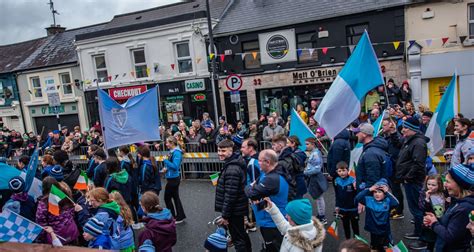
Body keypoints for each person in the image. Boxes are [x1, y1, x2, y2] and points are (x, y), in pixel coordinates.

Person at [245, 149, 289, 252]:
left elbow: (251, 193)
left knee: (274, 248)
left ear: (268, 162)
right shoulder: (269, 173)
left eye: (259, 160)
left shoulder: (272, 178)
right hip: (268, 220)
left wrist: (248, 187)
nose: (257, 162)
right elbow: (255, 187)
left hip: (272, 223)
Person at [423, 164, 474, 251]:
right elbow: (449, 223)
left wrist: (434, 224)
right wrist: (434, 220)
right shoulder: (456, 200)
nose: (444, 185)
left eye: (448, 182)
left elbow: (450, 236)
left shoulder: (464, 208)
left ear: (459, 185)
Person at [395, 117, 428, 248]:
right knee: (415, 209)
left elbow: (418, 164)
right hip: (410, 180)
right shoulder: (410, 140)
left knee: (418, 209)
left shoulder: (418, 143)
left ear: (413, 129)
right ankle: (417, 232)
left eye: (406, 128)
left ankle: (422, 237)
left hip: (413, 181)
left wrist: (408, 177)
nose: (403, 130)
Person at [215, 139, 251, 252]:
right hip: (237, 208)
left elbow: (230, 195)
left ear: (231, 150)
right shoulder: (233, 163)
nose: (220, 153)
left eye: (223, 151)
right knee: (241, 234)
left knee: (237, 239)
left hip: (235, 210)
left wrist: (225, 216)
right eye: (219, 150)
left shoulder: (232, 168)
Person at [355, 179, 399, 251]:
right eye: (375, 192)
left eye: (380, 192)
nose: (377, 194)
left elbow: (396, 203)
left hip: (384, 231)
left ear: (384, 194)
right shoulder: (368, 200)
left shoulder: (388, 202)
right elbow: (357, 198)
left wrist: (387, 192)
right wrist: (369, 189)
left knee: (386, 248)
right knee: (374, 247)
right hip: (373, 230)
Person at [36, 177, 79, 245]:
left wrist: (40, 240)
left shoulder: (43, 203)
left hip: (56, 236)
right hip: (71, 231)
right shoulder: (65, 194)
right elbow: (72, 210)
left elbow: (41, 223)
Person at [352, 123, 388, 190]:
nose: (356, 135)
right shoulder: (370, 149)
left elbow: (373, 180)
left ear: (364, 134)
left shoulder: (370, 153)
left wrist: (365, 194)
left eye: (358, 132)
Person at [381, 118, 404, 219]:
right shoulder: (386, 136)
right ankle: (394, 208)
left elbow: (395, 153)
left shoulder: (396, 137)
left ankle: (399, 210)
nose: (383, 127)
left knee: (396, 190)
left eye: (385, 125)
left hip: (395, 168)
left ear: (391, 126)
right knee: (392, 189)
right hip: (389, 168)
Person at [417, 174, 446, 251]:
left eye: (433, 185)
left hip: (441, 220)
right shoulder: (424, 193)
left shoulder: (443, 194)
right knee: (430, 240)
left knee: (440, 239)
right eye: (428, 184)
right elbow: (422, 208)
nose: (430, 187)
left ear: (439, 185)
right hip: (430, 222)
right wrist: (427, 199)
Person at [162, 136, 186, 224]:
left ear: (172, 143)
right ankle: (180, 216)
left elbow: (175, 166)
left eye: (167, 142)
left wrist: (165, 161)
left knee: (167, 198)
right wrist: (165, 169)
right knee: (176, 198)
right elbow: (171, 166)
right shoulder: (172, 152)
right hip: (171, 178)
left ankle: (172, 217)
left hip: (173, 179)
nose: (166, 144)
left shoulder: (177, 153)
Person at [304, 138, 327, 224]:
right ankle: (321, 215)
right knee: (318, 197)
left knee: (319, 197)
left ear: (313, 144)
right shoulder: (314, 153)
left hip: (316, 178)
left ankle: (322, 217)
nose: (306, 146)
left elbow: (317, 169)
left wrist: (305, 172)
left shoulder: (316, 154)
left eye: (307, 144)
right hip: (314, 177)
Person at [334, 161, 360, 240]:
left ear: (347, 170)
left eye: (344, 170)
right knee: (346, 226)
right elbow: (337, 194)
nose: (342, 173)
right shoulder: (336, 181)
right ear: (337, 172)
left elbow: (358, 194)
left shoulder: (353, 180)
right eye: (339, 171)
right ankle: (348, 241)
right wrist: (337, 206)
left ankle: (357, 242)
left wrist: (359, 205)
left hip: (353, 209)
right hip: (342, 209)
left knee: (355, 226)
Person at [240, 138, 260, 231]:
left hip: (252, 193)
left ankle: (251, 224)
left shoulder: (252, 162)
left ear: (250, 148)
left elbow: (253, 181)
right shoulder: (256, 158)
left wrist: (252, 196)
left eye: (243, 147)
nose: (241, 149)